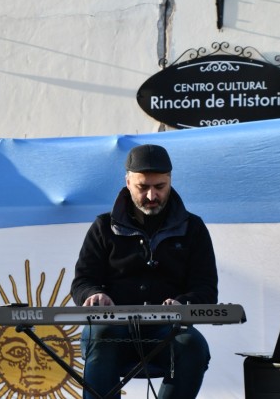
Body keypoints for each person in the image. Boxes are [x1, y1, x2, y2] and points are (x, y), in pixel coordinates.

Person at [71, 144, 218, 399]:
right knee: (102, 334)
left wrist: (183, 304)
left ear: (170, 181)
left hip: (167, 329)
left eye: (159, 187)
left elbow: (206, 288)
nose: (152, 196)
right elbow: (83, 281)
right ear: (128, 182)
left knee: (193, 345)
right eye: (143, 187)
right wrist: (94, 294)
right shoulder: (104, 226)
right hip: (113, 328)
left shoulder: (193, 227)